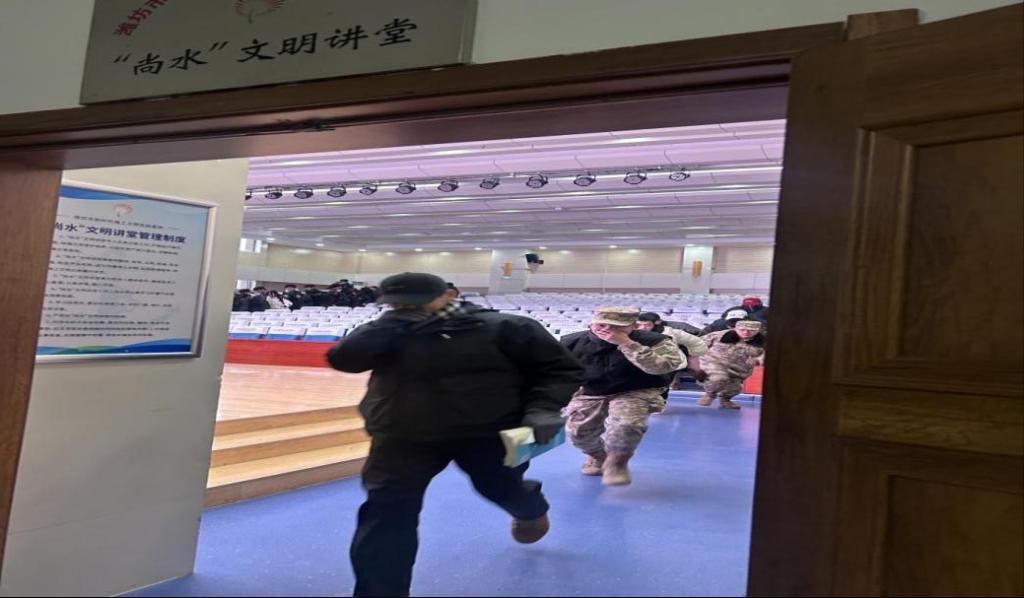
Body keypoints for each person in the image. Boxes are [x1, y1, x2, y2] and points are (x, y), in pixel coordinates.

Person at [326, 272, 583, 598]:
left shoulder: (506, 327)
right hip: (404, 434)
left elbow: (559, 369)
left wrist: (543, 408)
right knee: (386, 513)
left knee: (500, 487)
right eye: (397, 303)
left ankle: (530, 509)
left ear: (448, 295)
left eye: (415, 302)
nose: (406, 308)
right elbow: (344, 360)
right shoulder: (388, 329)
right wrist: (387, 326)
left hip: (488, 431)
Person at [560, 307, 685, 486]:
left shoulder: (656, 341)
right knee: (578, 432)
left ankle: (617, 462)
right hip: (591, 390)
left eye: (617, 326)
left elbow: (663, 367)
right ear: (591, 324)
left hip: (636, 388)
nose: (608, 330)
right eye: (602, 325)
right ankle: (598, 457)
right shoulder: (571, 342)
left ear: (634, 326)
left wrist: (627, 344)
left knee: (626, 424)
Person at [636, 312, 708, 408]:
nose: (642, 328)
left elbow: (696, 342)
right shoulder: (633, 333)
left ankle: (658, 405)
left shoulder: (672, 333)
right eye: (639, 325)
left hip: (668, 364)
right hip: (644, 363)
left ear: (656, 323)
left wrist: (694, 355)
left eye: (647, 325)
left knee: (662, 386)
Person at [694, 317, 766, 410]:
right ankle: (710, 395)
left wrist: (758, 360)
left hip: (739, 369)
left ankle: (725, 400)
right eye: (742, 330)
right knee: (718, 378)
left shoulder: (762, 342)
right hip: (714, 363)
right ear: (735, 328)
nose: (746, 332)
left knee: (734, 388)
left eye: (751, 331)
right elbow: (697, 343)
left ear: (758, 331)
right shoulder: (719, 335)